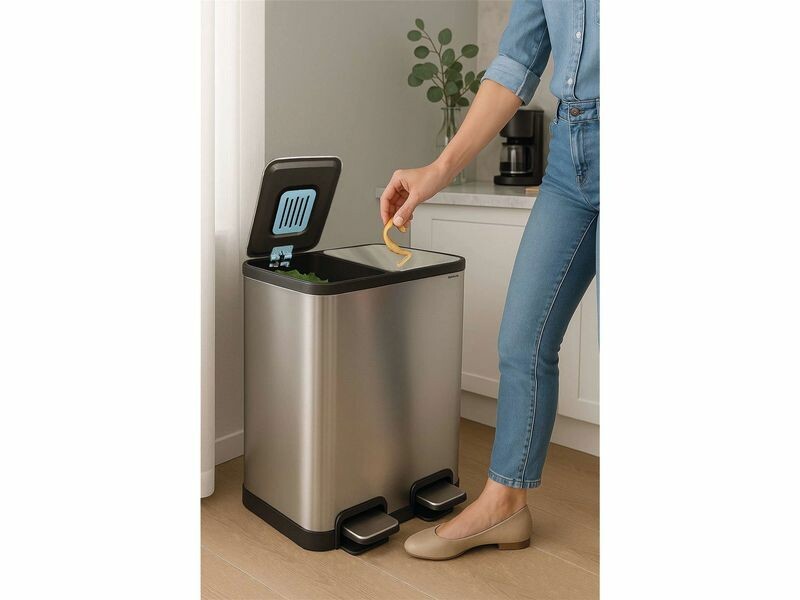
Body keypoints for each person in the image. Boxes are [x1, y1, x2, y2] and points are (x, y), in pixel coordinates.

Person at [379, 0, 599, 560]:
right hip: (570, 158)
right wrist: (437, 171)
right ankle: (505, 504)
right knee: (522, 339)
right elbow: (516, 64)